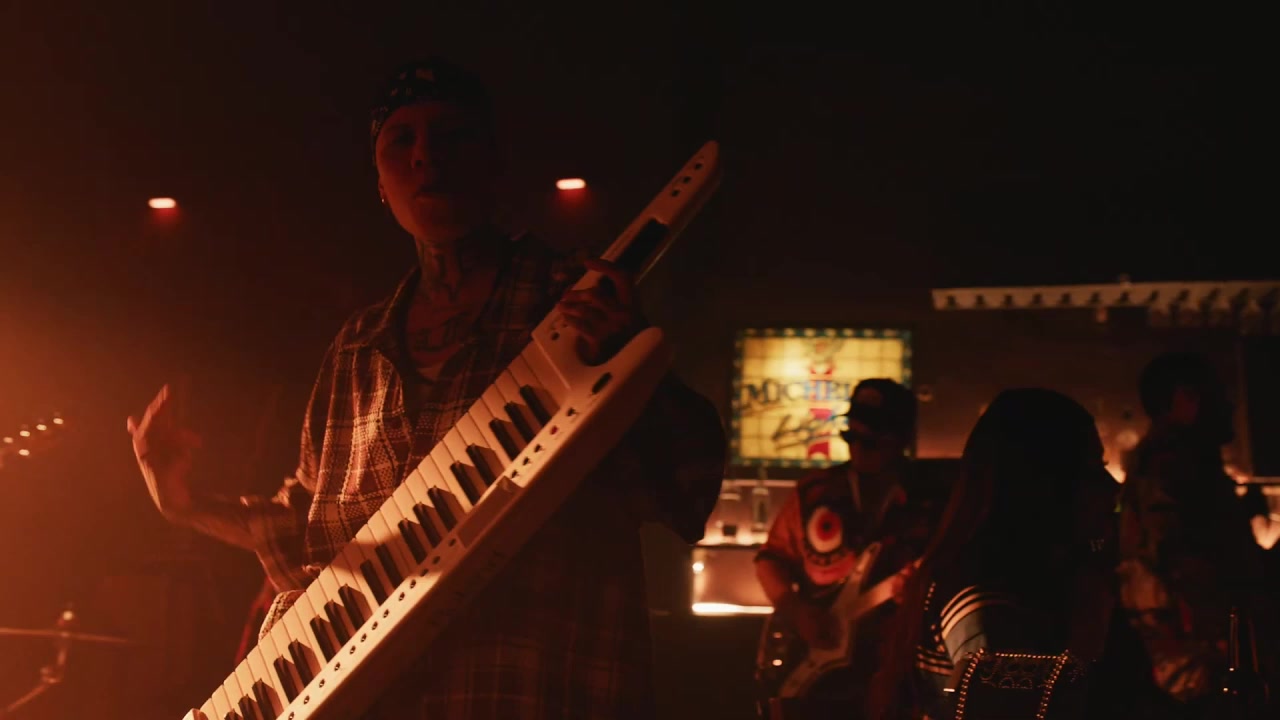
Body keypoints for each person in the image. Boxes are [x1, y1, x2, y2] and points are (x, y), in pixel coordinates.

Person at [126, 57, 726, 719]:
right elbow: (315, 539)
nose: (424, 156)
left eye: (450, 135)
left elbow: (691, 485)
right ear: (380, 185)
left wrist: (638, 366)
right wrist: (183, 502)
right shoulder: (356, 348)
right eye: (401, 140)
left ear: (494, 163)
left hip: (535, 691)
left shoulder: (573, 302)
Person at [868, 388, 1176, 720]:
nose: (1111, 487)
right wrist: (1087, 643)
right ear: (1041, 483)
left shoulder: (1042, 580)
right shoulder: (988, 602)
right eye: (1090, 469)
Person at [754, 378, 943, 718]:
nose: (858, 448)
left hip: (894, 671)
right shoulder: (814, 492)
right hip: (818, 669)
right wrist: (798, 612)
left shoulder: (931, 499)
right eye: (851, 436)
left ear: (900, 438)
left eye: (871, 440)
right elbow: (771, 559)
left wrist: (921, 591)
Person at [1117, 351, 1270, 712]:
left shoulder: (1180, 469)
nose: (1229, 406)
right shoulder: (1172, 472)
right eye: (1217, 393)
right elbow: (1192, 571)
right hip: (1203, 673)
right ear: (1186, 398)